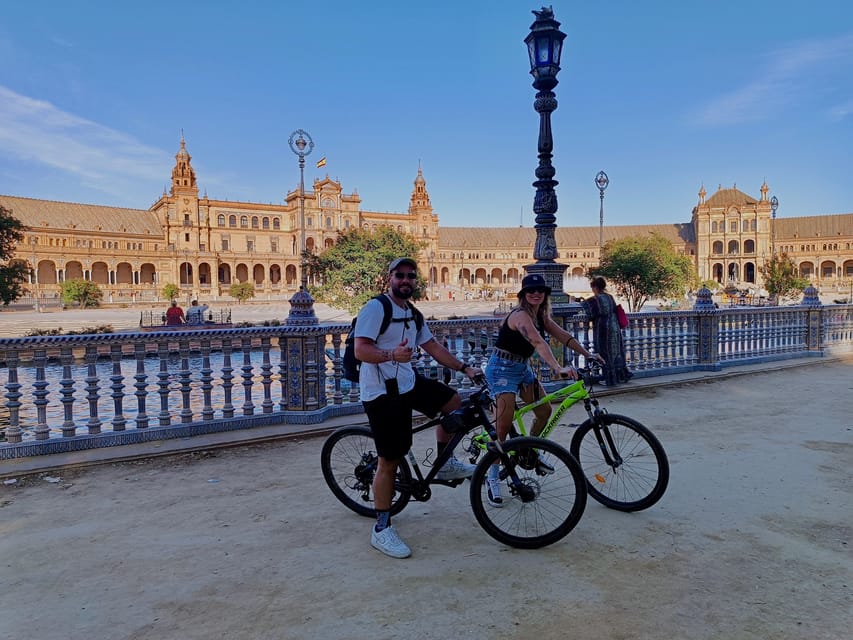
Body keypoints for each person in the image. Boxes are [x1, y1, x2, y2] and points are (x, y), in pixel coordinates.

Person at [354, 257, 482, 559]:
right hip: (382, 392)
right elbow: (361, 349)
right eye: (400, 275)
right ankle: (382, 528)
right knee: (390, 459)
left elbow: (434, 348)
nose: (406, 280)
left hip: (408, 382)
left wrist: (465, 368)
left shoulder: (413, 314)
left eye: (411, 276)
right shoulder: (376, 309)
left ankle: (445, 461)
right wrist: (390, 354)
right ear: (389, 278)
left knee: (453, 403)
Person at [484, 273, 605, 507]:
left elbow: (563, 335)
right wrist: (557, 367)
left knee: (544, 412)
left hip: (521, 368)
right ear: (523, 295)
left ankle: (528, 451)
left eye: (540, 290)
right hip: (501, 371)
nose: (536, 294)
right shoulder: (520, 316)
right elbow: (539, 343)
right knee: (502, 426)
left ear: (545, 294)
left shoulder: (540, 315)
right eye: (531, 291)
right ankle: (490, 477)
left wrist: (588, 354)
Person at [579, 276, 632, 387]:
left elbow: (587, 310)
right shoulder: (610, 297)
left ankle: (610, 379)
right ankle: (620, 376)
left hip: (604, 329)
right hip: (615, 326)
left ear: (595, 287)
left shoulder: (596, 299)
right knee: (616, 352)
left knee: (604, 354)